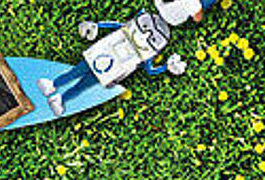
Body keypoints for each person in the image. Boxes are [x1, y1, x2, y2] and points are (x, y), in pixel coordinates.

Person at [37, 11, 186, 117]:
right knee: (75, 72)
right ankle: (52, 85)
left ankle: (60, 99)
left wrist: (167, 67)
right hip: (101, 56)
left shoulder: (144, 54)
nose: (146, 35)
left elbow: (149, 69)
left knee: (81, 85)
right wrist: (97, 26)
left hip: (112, 70)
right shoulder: (127, 31)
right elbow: (115, 26)